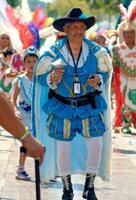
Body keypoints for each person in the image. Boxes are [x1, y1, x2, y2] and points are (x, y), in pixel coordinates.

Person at [32, 7, 112, 200]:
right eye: (74, 27)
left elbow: (106, 74)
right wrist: (52, 77)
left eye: (82, 26)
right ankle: (67, 189)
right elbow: (40, 77)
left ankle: (89, 186)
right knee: (63, 148)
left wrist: (98, 80)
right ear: (66, 30)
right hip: (62, 106)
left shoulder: (96, 52)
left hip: (88, 104)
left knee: (96, 145)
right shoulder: (53, 52)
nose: (78, 30)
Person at [10, 45, 38, 181]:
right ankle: (20, 169)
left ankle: (45, 170)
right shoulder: (20, 80)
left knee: (41, 142)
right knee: (26, 143)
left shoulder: (40, 80)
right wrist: (15, 111)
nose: (31, 64)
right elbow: (13, 99)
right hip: (24, 117)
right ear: (24, 63)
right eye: (28, 62)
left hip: (37, 117)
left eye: (34, 61)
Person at [0, 95, 45, 164]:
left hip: (31, 121)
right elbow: (12, 100)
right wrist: (25, 137)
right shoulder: (20, 84)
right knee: (24, 145)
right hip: (24, 120)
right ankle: (21, 167)